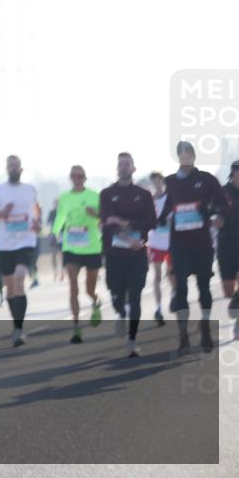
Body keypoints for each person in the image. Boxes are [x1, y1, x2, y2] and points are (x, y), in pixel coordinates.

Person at [159, 141, 229, 354]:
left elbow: (222, 205)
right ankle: (182, 333)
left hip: (201, 243)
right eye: (182, 153)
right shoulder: (170, 181)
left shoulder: (206, 179)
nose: (186, 157)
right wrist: (160, 220)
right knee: (180, 288)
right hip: (179, 244)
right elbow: (167, 206)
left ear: (194, 156)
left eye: (189, 153)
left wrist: (218, 216)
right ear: (178, 157)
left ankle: (205, 326)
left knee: (204, 287)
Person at [99, 153, 156, 357]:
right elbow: (107, 221)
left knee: (136, 296)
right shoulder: (106, 194)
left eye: (127, 164)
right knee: (116, 295)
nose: (123, 167)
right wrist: (126, 234)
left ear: (133, 168)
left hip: (137, 252)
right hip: (115, 254)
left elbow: (151, 221)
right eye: (120, 164)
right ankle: (120, 312)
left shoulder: (144, 194)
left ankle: (132, 341)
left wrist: (126, 225)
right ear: (117, 168)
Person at [0, 155, 41, 347]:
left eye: (16, 166)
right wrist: (2, 213)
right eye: (10, 165)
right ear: (7, 168)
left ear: (21, 169)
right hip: (4, 245)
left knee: (20, 279)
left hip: (26, 241)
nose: (13, 168)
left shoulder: (30, 190)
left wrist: (37, 222)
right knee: (9, 287)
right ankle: (16, 324)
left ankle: (19, 330)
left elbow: (37, 209)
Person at [52, 165, 103, 344]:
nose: (77, 178)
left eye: (80, 176)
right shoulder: (64, 198)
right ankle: (76, 328)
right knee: (73, 286)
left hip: (92, 248)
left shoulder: (94, 196)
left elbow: (104, 218)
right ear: (70, 178)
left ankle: (96, 301)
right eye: (74, 175)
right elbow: (60, 217)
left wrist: (95, 214)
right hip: (71, 247)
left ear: (85, 178)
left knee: (89, 289)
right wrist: (54, 232)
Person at [147, 172, 172, 326]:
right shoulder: (149, 200)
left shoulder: (169, 198)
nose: (157, 185)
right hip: (155, 242)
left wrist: (168, 221)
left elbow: (173, 216)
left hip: (170, 242)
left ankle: (175, 295)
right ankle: (158, 309)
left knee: (171, 275)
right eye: (154, 182)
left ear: (163, 182)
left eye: (159, 182)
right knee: (157, 276)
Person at [218, 160, 239, 340]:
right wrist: (216, 220)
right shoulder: (223, 192)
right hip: (226, 243)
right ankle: (234, 298)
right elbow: (212, 211)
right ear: (233, 173)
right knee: (227, 289)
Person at [46, 201, 63, 282]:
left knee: (62, 255)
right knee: (54, 254)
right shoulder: (51, 212)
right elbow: (47, 223)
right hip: (53, 234)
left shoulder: (63, 211)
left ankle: (62, 272)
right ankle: (55, 272)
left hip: (62, 234)